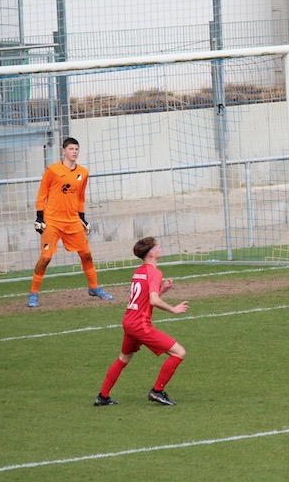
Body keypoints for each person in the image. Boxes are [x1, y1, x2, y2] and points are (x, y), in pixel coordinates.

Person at [94, 237, 189, 406]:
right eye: (157, 246)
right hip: (140, 325)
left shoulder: (139, 271)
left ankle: (103, 397)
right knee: (179, 352)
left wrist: (162, 290)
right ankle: (157, 391)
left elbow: (144, 298)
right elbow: (153, 300)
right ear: (151, 253)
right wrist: (174, 309)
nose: (160, 248)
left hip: (129, 321)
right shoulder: (155, 273)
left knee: (123, 359)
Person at [28, 137, 113, 307]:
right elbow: (42, 194)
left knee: (86, 254)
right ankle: (33, 293)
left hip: (73, 221)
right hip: (52, 221)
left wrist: (82, 217)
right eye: (71, 149)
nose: (74, 152)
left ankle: (94, 287)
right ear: (63, 151)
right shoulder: (52, 170)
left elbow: (81, 197)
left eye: (76, 149)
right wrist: (39, 216)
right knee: (46, 257)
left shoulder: (83, 172)